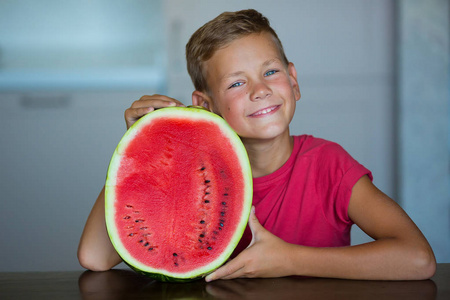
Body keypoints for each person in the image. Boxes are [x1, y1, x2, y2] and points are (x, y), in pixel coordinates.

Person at [78, 9, 436, 281]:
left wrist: (287, 259)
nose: (259, 90)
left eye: (270, 72)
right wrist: (138, 152)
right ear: (205, 106)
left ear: (293, 81)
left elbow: (418, 258)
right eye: (236, 83)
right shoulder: (185, 173)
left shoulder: (329, 165)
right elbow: (95, 257)